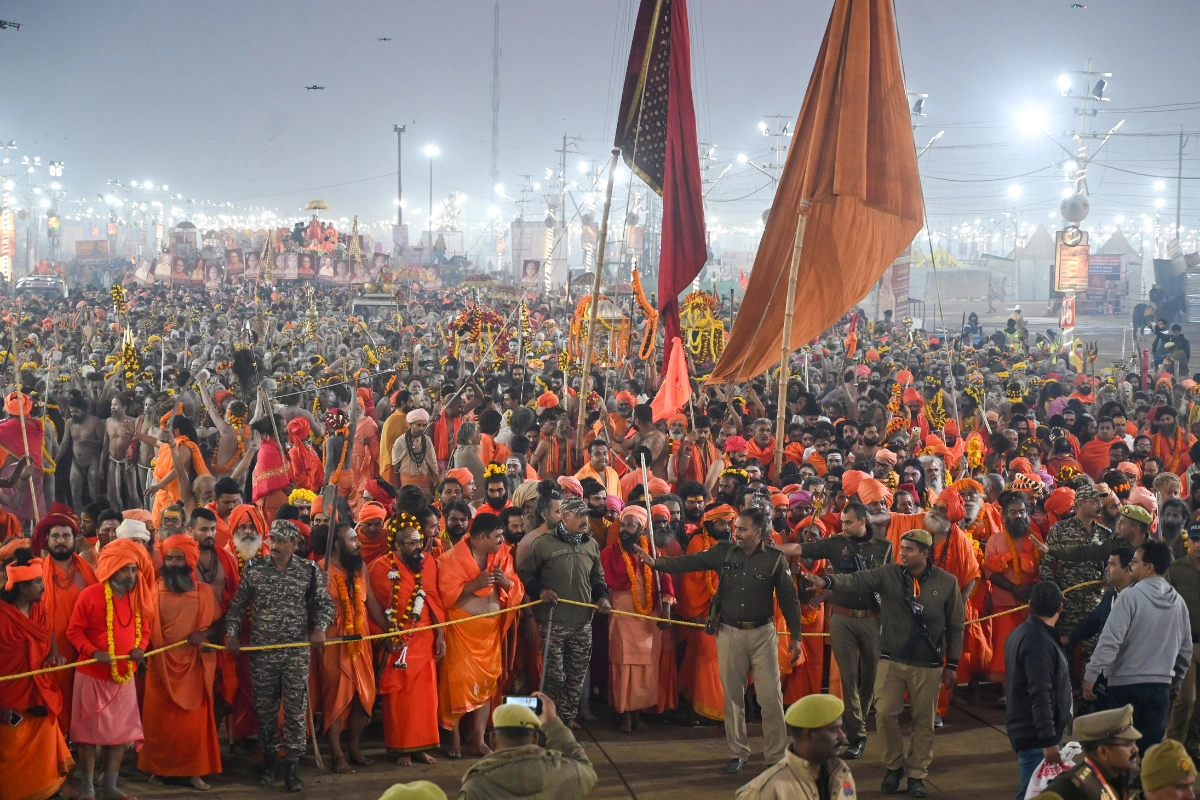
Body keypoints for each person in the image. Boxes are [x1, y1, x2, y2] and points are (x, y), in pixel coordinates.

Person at [639, 506, 803, 775]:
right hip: (728, 632)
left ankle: (775, 756)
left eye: (742, 528)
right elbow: (688, 563)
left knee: (770, 697)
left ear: (758, 532)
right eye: (735, 527)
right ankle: (738, 752)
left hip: (763, 634)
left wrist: (796, 638)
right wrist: (656, 563)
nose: (734, 531)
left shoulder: (774, 559)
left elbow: (789, 600)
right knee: (733, 696)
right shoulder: (723, 551)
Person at [802, 529, 965, 798]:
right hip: (892, 658)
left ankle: (917, 774)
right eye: (902, 548)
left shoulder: (947, 582)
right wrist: (827, 581)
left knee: (923, 721)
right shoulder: (889, 574)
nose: (903, 553)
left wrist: (953, 663)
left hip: (929, 662)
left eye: (910, 549)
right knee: (885, 713)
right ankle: (893, 767)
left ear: (925, 554)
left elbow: (956, 625)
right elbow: (857, 580)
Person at [224, 518, 336, 792]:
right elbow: (237, 608)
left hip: (296, 653)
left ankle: (293, 766)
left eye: (281, 541)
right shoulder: (255, 570)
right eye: (272, 539)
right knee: (265, 710)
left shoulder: (309, 572)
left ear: (295, 544)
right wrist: (231, 633)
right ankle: (270, 761)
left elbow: (325, 606)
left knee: (296, 710)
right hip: (263, 653)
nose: (274, 545)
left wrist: (320, 629)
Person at [777, 500, 891, 759]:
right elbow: (801, 547)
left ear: (864, 520)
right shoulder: (836, 543)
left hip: (874, 619)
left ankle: (857, 724)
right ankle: (858, 734)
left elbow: (891, 582)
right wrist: (773, 548)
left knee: (870, 677)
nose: (844, 527)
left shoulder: (884, 547)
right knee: (849, 679)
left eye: (849, 522)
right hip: (842, 618)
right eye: (842, 522)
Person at [66, 538, 153, 800]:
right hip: (92, 675)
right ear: (112, 568)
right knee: (89, 736)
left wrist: (141, 647)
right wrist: (93, 652)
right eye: (126, 569)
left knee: (119, 735)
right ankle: (89, 789)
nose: (131, 575)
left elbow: (145, 629)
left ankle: (111, 788)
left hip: (123, 676)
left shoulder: (138, 595)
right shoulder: (90, 595)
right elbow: (74, 631)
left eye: (134, 569)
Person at [1083, 539, 1192, 750]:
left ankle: (1120, 784)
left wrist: (1091, 674)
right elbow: (1185, 650)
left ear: (1149, 567)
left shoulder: (1129, 597)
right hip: (1160, 686)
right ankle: (1148, 782)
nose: (1130, 565)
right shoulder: (1178, 602)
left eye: (1134, 561)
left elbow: (1110, 640)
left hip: (1124, 686)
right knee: (1151, 749)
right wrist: (1176, 680)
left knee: (1120, 747)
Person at [517, 495, 611, 730]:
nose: (584, 520)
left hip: (582, 623)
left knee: (575, 678)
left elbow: (597, 578)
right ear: (565, 516)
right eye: (579, 515)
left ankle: (565, 722)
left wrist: (602, 597)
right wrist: (541, 591)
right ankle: (547, 722)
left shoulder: (591, 545)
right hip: (553, 621)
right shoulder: (543, 543)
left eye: (585, 515)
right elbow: (526, 575)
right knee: (553, 677)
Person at [137, 533, 222, 789]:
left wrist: (203, 634)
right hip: (159, 668)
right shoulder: (151, 589)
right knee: (159, 722)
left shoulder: (205, 592)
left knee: (192, 725)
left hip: (193, 668)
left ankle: (194, 772)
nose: (173, 563)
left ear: (190, 561)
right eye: (169, 558)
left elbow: (219, 624)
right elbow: (141, 626)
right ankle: (159, 770)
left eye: (178, 558)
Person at [437, 511, 524, 758]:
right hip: (461, 631)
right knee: (456, 685)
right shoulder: (449, 560)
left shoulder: (502, 554)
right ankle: (453, 740)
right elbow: (443, 597)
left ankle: (478, 739)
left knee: (487, 686)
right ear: (481, 537)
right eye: (497, 536)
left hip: (490, 632)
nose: (501, 540)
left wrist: (506, 583)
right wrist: (473, 586)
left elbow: (515, 585)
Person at [367, 513, 445, 766]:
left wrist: (440, 634)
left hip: (425, 639)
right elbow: (373, 607)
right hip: (398, 643)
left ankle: (423, 747)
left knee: (425, 698)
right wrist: (387, 635)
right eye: (410, 543)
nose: (417, 547)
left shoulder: (428, 563)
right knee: (400, 698)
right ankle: (402, 749)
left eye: (418, 541)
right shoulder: (380, 569)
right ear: (397, 546)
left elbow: (433, 599)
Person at [0, 546, 74, 800]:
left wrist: (53, 651)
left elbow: (48, 630)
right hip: (9, 698)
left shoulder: (38, 607)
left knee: (44, 742)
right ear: (22, 587)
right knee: (10, 752)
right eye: (37, 583)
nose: (43, 587)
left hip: (40, 689)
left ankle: (47, 790)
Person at [600, 504, 673, 732]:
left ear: (642, 529)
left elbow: (666, 584)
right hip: (621, 617)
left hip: (648, 618)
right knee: (623, 665)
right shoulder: (609, 553)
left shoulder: (653, 553)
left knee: (646, 668)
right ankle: (625, 716)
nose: (625, 529)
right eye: (624, 524)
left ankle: (639, 714)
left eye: (631, 525)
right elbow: (601, 583)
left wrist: (667, 611)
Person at [312, 521, 378, 774]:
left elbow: (370, 603)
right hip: (333, 640)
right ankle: (337, 753)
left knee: (365, 697)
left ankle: (354, 746)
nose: (358, 543)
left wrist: (391, 630)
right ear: (337, 545)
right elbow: (311, 610)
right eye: (352, 540)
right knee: (336, 698)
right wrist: (319, 586)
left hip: (361, 639)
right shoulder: (319, 570)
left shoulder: (360, 567)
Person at [458, 692, 597, 799]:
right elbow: (586, 769)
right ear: (535, 739)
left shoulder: (476, 787)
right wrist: (553, 722)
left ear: (493, 740)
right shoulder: (566, 774)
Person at [32, 504, 96, 739]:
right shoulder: (36, 573)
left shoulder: (87, 570)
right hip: (48, 653)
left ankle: (78, 743)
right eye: (56, 536)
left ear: (74, 538)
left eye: (66, 536)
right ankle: (58, 744)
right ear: (46, 539)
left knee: (80, 700)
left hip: (83, 651)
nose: (61, 540)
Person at [1006, 581, 1073, 800]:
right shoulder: (1040, 642)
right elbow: (1040, 694)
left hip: (1031, 732)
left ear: (1030, 604)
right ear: (1060, 608)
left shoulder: (1022, 633)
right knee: (1033, 795)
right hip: (1037, 737)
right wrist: (1049, 740)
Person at [735, 694, 856, 800]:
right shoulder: (764, 790)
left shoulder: (840, 772)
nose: (842, 736)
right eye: (833, 730)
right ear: (808, 734)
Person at [1033, 705, 1141, 800]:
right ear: (1103, 752)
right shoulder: (1070, 786)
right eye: (1127, 744)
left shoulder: (1115, 777)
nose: (1135, 749)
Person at [1166, 523, 1200, 750]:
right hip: (1186, 644)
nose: (1198, 545)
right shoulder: (1176, 570)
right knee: (1185, 699)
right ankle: (1172, 747)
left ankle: (1194, 744)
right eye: (1195, 539)